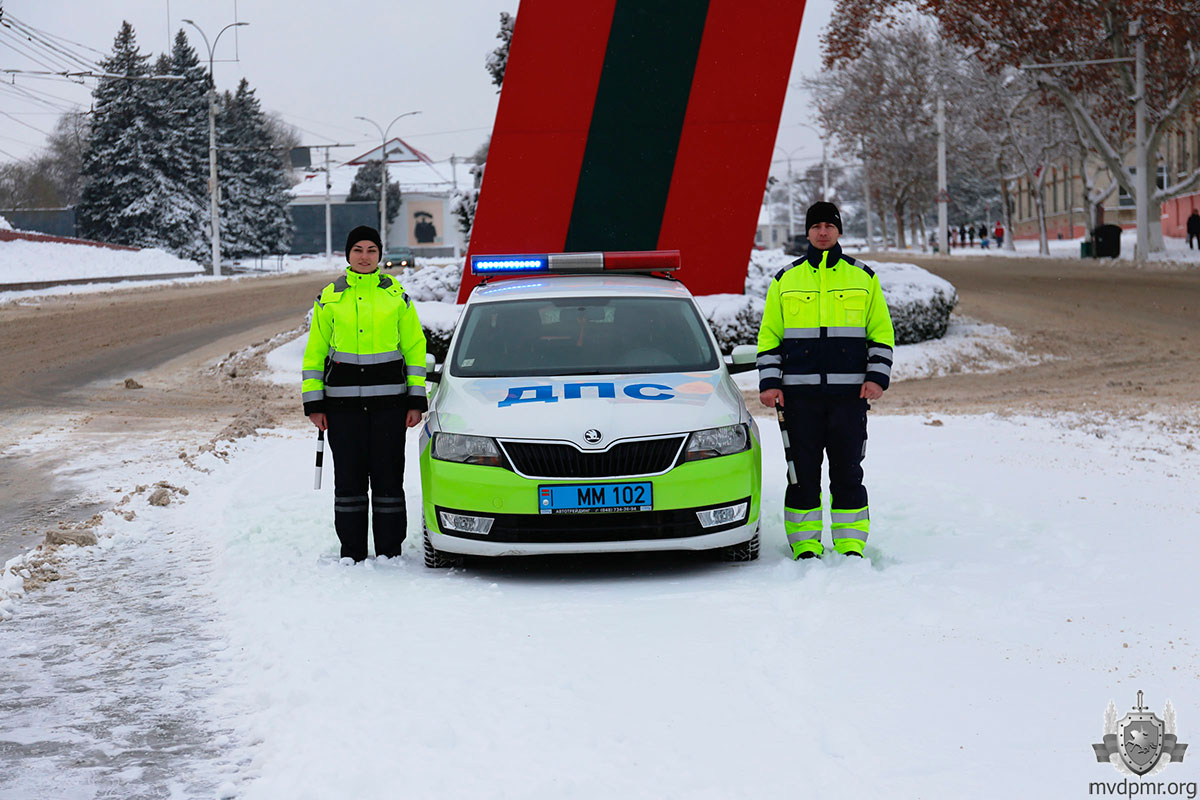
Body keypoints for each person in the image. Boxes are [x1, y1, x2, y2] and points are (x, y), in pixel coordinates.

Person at [757, 201, 895, 559]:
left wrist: (877, 377)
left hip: (849, 397)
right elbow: (770, 336)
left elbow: (881, 332)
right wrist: (770, 383)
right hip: (798, 400)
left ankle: (850, 542)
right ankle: (805, 543)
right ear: (807, 232)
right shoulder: (785, 279)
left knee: (848, 470)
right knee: (801, 474)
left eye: (829, 226)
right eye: (816, 226)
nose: (822, 232)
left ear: (838, 231)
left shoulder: (862, 277)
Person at [302, 226, 427, 562]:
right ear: (348, 254)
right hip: (342, 410)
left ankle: (390, 551)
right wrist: (314, 403)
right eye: (358, 249)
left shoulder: (395, 296)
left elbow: (415, 349)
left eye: (372, 250)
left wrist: (416, 399)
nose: (365, 256)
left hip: (390, 407)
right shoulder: (329, 297)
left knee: (388, 482)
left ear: (380, 255)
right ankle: (352, 552)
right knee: (349, 483)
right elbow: (314, 355)